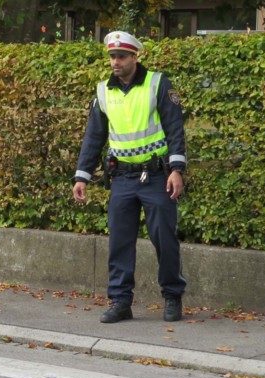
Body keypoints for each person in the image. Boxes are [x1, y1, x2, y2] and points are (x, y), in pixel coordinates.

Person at [72, 30, 187, 323]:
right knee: (120, 242)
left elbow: (175, 128)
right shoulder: (103, 91)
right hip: (122, 177)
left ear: (135, 57)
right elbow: (94, 136)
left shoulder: (157, 83)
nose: (115, 62)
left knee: (164, 239)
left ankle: (172, 297)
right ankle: (120, 302)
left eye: (121, 56)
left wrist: (177, 170)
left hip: (158, 176)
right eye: (112, 56)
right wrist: (82, 176)